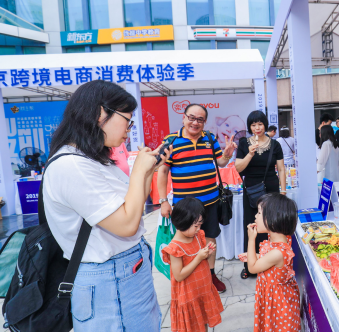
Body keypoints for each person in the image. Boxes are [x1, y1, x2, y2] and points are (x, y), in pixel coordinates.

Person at [44, 80, 171, 331]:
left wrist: (148, 171)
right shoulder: (71, 166)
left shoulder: (94, 159)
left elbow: (132, 205)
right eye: (127, 120)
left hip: (124, 271)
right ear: (100, 113)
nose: (129, 129)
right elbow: (125, 223)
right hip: (109, 278)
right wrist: (138, 173)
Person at [157, 104, 237, 293]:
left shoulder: (210, 138)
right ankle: (188, 276)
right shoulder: (171, 140)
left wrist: (227, 155)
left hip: (210, 201)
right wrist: (163, 200)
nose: (195, 122)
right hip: (184, 206)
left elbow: (221, 162)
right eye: (191, 118)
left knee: (210, 239)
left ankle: (210, 275)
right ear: (184, 118)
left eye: (200, 119)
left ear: (205, 122)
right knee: (185, 241)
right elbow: (163, 171)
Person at [235, 110, 285, 279]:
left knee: (271, 226)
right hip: (251, 190)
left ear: (265, 125)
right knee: (252, 226)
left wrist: (283, 192)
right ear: (250, 127)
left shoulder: (275, 144)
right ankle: (249, 266)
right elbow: (238, 168)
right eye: (253, 125)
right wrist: (250, 153)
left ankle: (268, 263)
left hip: (271, 189)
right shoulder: (243, 143)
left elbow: (281, 169)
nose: (257, 128)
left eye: (260, 124)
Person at [161, 197, 224, 332]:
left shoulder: (197, 236)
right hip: (189, 296)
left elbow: (203, 262)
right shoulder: (175, 248)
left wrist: (207, 253)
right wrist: (198, 258)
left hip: (202, 291)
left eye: (200, 225)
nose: (198, 228)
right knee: (194, 327)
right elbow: (178, 275)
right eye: (196, 225)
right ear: (182, 222)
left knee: (203, 323)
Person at [246, 193, 300, 332]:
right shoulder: (277, 240)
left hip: (278, 306)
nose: (256, 216)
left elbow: (252, 268)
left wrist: (251, 239)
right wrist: (255, 255)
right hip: (274, 300)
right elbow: (268, 261)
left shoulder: (277, 252)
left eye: (259, 213)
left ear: (273, 219)